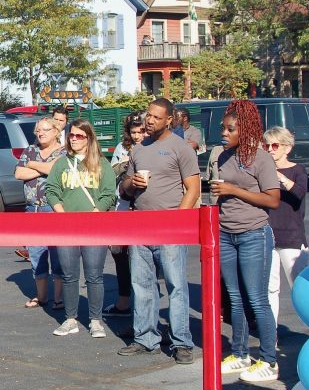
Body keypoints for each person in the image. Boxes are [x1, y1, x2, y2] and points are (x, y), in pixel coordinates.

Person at [118, 97, 200, 365]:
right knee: (142, 285)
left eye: (155, 117)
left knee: (176, 286)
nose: (149, 120)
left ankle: (181, 342)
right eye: (148, 116)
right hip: (140, 226)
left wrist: (178, 223)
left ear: (169, 120)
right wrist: (132, 182)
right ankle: (145, 338)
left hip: (170, 228)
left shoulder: (181, 148)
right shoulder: (139, 149)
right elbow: (126, 190)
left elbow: (193, 189)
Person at [213, 100, 281, 383]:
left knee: (256, 299)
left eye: (230, 129)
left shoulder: (261, 158)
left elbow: (273, 200)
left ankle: (269, 360)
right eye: (223, 128)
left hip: (254, 233)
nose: (224, 133)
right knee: (235, 299)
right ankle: (240, 354)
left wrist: (233, 190)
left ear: (245, 130)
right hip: (226, 234)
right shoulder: (223, 156)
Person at [45, 119, 116, 338]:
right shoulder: (61, 163)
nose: (74, 139)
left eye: (79, 136)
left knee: (94, 276)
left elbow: (108, 193)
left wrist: (95, 214)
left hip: (94, 227)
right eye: (71, 135)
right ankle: (70, 318)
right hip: (67, 227)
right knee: (69, 275)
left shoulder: (101, 163)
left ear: (89, 138)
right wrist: (61, 213)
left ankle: (96, 320)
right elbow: (51, 189)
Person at [13, 116, 65, 309]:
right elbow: (18, 173)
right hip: (32, 208)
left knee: (58, 253)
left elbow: (56, 169)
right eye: (37, 130)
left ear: (56, 132)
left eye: (44, 130)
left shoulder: (65, 151)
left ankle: (59, 298)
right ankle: (41, 296)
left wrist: (31, 165)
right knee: (36, 253)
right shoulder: (30, 150)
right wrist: (45, 169)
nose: (40, 133)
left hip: (54, 208)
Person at [262, 126, 309, 329]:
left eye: (274, 145)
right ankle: (270, 336)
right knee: (270, 290)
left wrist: (279, 177)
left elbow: (299, 193)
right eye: (266, 146)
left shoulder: (298, 170)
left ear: (287, 148)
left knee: (300, 288)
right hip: (268, 236)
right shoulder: (263, 171)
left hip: (292, 238)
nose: (270, 150)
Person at [104, 111, 145, 317]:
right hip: (122, 203)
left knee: (141, 256)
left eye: (141, 131)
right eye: (133, 132)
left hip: (143, 206)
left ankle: (142, 306)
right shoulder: (122, 148)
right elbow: (112, 174)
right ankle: (123, 300)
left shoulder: (151, 147)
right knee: (119, 252)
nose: (137, 136)